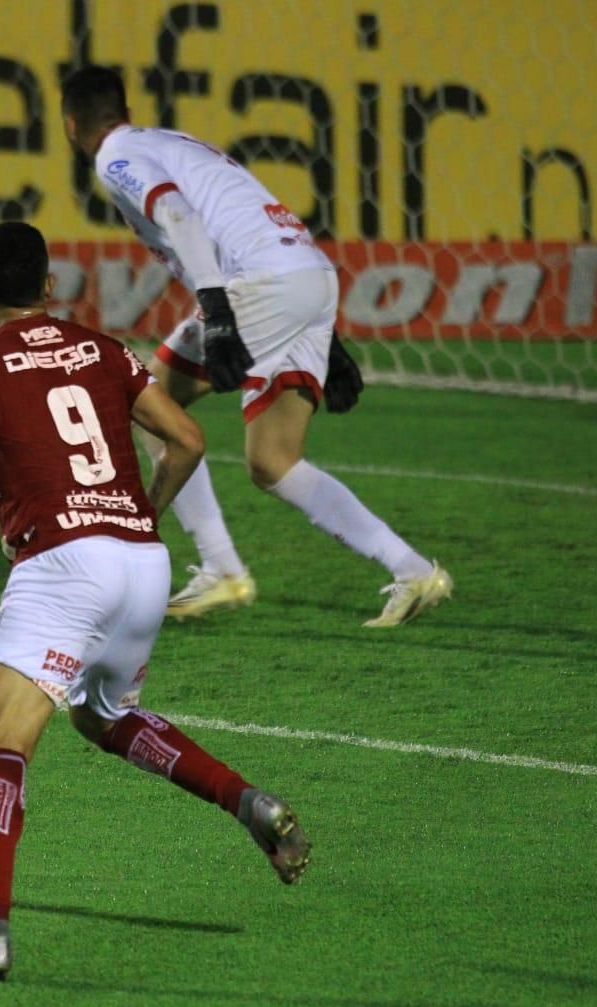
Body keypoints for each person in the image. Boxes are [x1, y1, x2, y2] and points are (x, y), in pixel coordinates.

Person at [0, 221, 310, 982]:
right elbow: (189, 441)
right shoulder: (104, 350)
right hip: (142, 562)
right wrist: (142, 517)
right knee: (102, 714)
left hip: (63, 565)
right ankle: (247, 802)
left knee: (0, 740)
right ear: (50, 289)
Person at [60, 66, 453, 627]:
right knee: (273, 461)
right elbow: (244, 213)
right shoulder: (171, 141)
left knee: (146, 406)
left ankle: (212, 565)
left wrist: (218, 310)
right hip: (308, 274)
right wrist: (325, 331)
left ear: (72, 126)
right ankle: (415, 570)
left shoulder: (116, 157)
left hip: (262, 283)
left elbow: (178, 213)